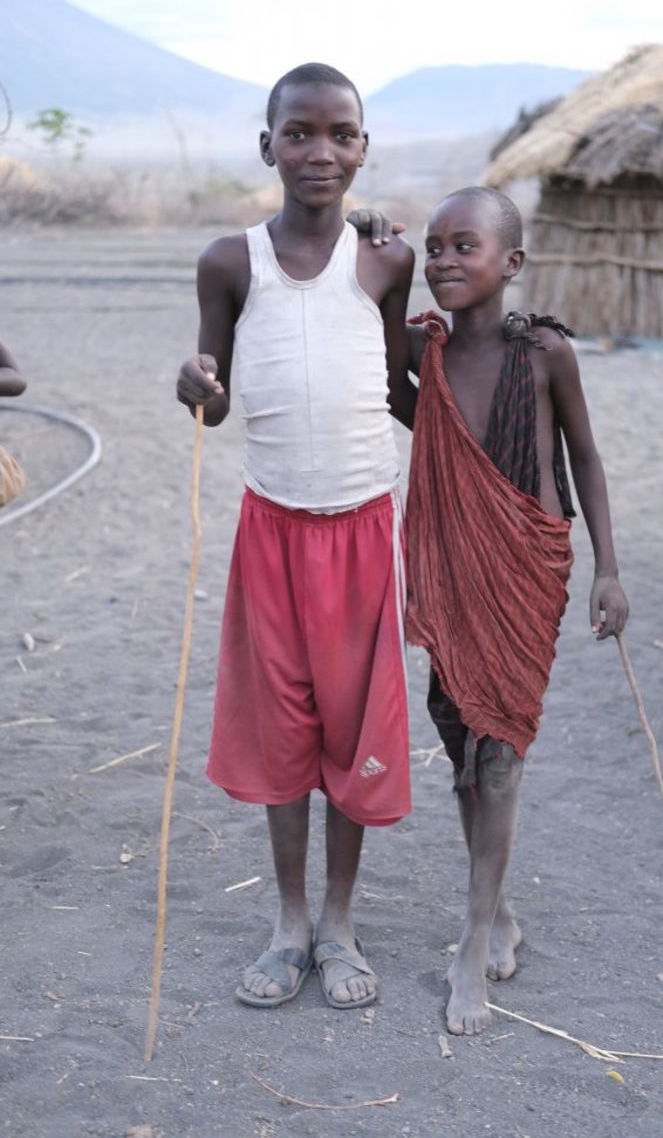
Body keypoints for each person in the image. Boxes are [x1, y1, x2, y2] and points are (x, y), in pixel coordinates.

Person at [358, 187, 628, 1035]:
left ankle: (472, 939)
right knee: (464, 751)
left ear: (510, 262)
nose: (443, 260)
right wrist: (387, 252)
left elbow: (585, 456)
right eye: (433, 247)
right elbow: (387, 377)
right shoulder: (422, 355)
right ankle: (501, 907)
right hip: (445, 569)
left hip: (526, 567)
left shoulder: (546, 352)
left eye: (462, 245)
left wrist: (608, 572)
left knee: (501, 750)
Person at [176, 63, 416, 1011]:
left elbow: (399, 392)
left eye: (342, 134)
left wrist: (485, 406)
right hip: (271, 528)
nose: (322, 151)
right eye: (301, 133)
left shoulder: (386, 262)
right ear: (266, 144)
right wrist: (193, 386)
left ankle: (342, 921)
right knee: (284, 726)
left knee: (353, 729)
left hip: (365, 529)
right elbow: (215, 398)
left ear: (364, 147)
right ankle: (287, 921)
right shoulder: (231, 263)